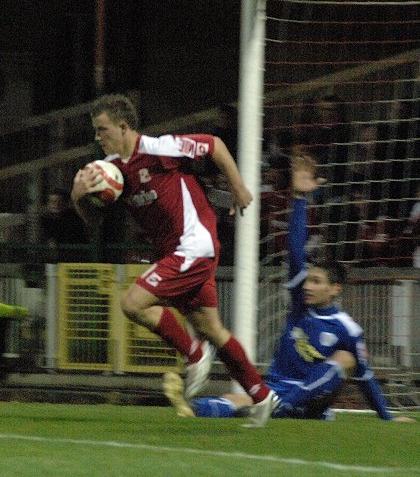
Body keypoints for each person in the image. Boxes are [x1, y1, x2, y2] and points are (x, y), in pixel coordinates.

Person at [71, 93, 279, 427]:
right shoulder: (115, 171)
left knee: (132, 302)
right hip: (177, 252)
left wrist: (239, 187)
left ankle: (194, 355)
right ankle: (262, 395)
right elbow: (94, 223)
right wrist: (78, 197)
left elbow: (213, 145)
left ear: (123, 127)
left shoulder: (160, 148)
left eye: (102, 129)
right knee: (210, 327)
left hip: (193, 245)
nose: (97, 137)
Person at [164, 155, 414, 423]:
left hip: (310, 403)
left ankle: (278, 407)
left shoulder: (347, 329)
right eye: (309, 279)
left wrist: (387, 417)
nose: (308, 285)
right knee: (236, 400)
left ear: (335, 290)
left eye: (317, 281)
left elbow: (366, 378)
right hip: (276, 387)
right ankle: (191, 408)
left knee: (346, 359)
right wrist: (299, 199)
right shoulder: (300, 304)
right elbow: (296, 254)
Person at [40, 188, 88, 262]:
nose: (56, 204)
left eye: (59, 201)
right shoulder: (46, 219)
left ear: (65, 203)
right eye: (52, 201)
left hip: (76, 256)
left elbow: (72, 236)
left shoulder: (73, 217)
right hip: (57, 256)